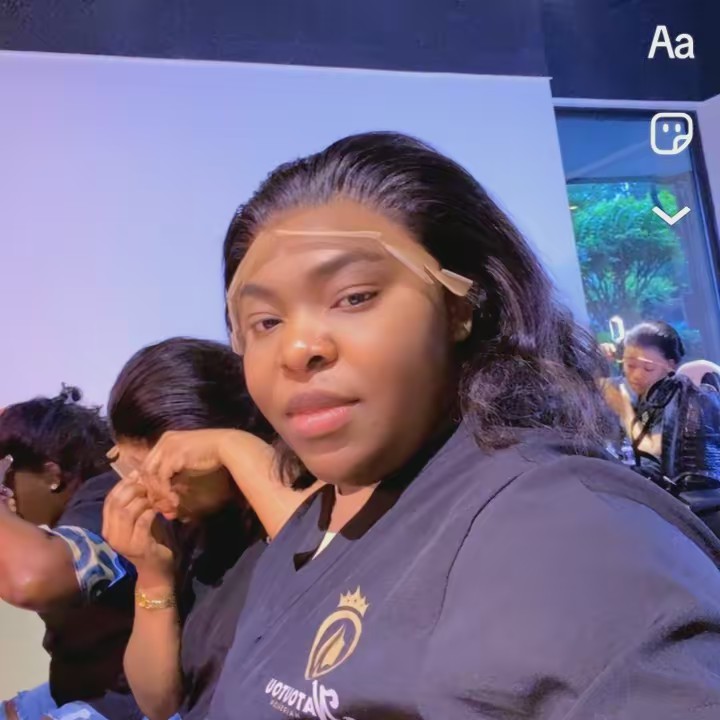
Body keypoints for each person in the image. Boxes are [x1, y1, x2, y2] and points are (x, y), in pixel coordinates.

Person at [140, 132, 720, 719]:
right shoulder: (320, 518)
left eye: (354, 297)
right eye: (264, 321)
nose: (296, 349)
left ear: (460, 305)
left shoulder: (568, 532)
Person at [98, 337, 313, 720]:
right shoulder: (191, 536)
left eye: (169, 472)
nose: (152, 492)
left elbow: (329, 563)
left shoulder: (315, 498)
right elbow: (158, 704)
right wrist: (153, 579)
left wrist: (232, 446)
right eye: (132, 471)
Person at [0, 386, 138, 720]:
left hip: (128, 700)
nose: (7, 492)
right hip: (78, 687)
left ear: (52, 475)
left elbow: (31, 581)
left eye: (7, 478)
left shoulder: (108, 503)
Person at [601, 320, 686, 457]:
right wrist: (595, 359)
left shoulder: (677, 398)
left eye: (648, 368)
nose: (636, 375)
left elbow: (653, 451)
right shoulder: (620, 387)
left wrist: (625, 411)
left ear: (671, 366)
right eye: (630, 365)